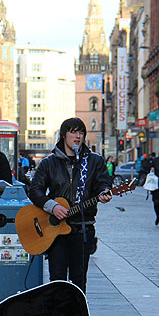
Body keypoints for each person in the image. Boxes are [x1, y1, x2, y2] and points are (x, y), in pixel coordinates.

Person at [28, 117, 112, 292]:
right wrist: (52, 206)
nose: (78, 136)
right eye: (73, 132)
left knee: (79, 280)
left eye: (81, 132)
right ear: (63, 135)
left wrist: (104, 192)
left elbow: (103, 183)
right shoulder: (49, 163)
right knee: (57, 280)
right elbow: (35, 191)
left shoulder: (94, 161)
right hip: (56, 232)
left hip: (83, 229)